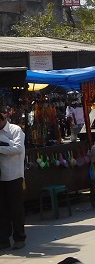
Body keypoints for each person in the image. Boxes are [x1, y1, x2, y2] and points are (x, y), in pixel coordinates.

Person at [0, 107, 26, 250]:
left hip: (13, 175)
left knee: (16, 209)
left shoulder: (15, 130)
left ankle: (19, 237)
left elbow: (18, 149)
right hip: (0, 176)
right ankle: (3, 239)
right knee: (2, 209)